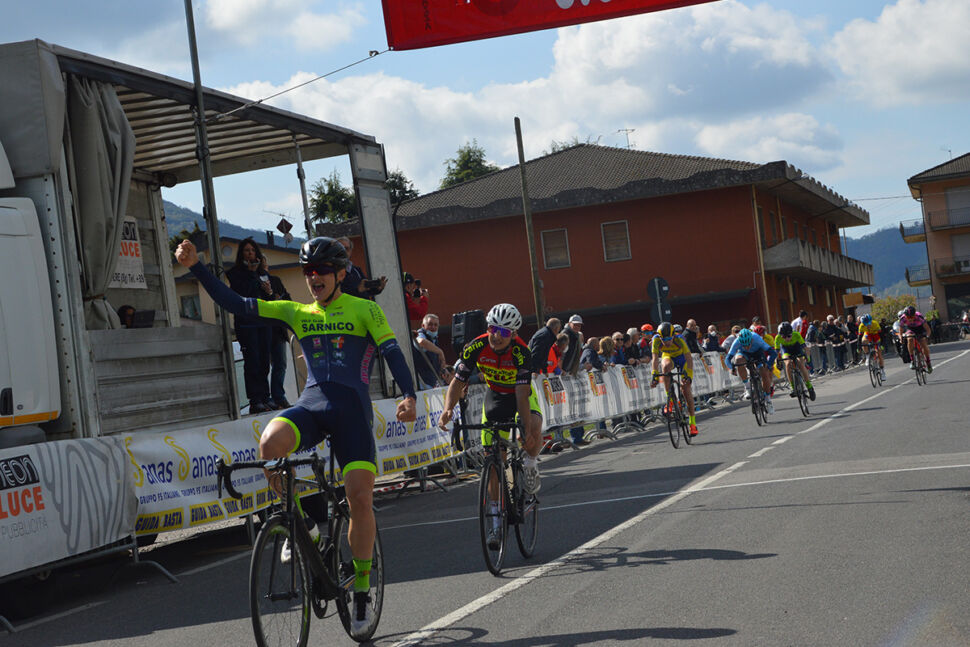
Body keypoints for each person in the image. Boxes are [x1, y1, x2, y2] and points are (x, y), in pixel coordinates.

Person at [176, 236, 416, 633]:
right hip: (312, 407)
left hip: (352, 414)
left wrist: (408, 395)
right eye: (307, 272)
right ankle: (302, 524)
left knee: (359, 499)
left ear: (340, 274)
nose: (313, 277)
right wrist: (196, 267)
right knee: (269, 444)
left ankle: (359, 591)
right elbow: (237, 304)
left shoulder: (365, 310)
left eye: (321, 271)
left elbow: (391, 353)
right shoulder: (296, 311)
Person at [438, 303, 544, 525]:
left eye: (504, 332)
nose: (496, 336)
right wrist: (448, 409)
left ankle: (531, 464)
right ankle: (495, 513)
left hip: (519, 395)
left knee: (532, 424)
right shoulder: (475, 347)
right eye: (492, 328)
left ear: (513, 334)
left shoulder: (521, 352)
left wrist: (525, 427)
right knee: (493, 460)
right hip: (495, 396)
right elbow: (458, 382)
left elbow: (522, 395)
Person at [226, 238, 275, 413]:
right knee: (252, 361)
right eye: (247, 251)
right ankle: (255, 399)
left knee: (264, 361)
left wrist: (269, 292)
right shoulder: (235, 273)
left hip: (263, 321)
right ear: (241, 254)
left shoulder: (263, 273)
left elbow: (269, 299)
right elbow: (242, 294)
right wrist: (252, 273)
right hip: (246, 324)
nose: (250, 254)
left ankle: (265, 396)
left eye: (253, 251)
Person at [650, 322, 698, 436]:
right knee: (665, 368)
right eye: (664, 339)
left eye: (669, 339)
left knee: (686, 389)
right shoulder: (656, 340)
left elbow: (689, 358)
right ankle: (671, 400)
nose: (667, 342)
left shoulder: (680, 339)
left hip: (682, 359)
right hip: (669, 357)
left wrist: (689, 376)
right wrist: (654, 375)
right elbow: (655, 359)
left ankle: (692, 423)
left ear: (673, 335)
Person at [262, 258, 293, 408]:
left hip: (278, 330)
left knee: (280, 364)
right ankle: (266, 399)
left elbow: (288, 300)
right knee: (263, 367)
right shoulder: (253, 282)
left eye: (264, 264)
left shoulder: (276, 280)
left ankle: (278, 397)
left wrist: (278, 299)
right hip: (262, 330)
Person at [725, 328, 778, 414]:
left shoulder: (756, 338)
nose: (746, 347)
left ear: (751, 340)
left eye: (748, 344)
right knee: (738, 361)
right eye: (744, 345)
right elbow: (728, 358)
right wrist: (731, 368)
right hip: (744, 354)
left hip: (758, 353)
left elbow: (773, 353)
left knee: (764, 373)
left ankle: (768, 401)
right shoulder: (737, 341)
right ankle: (747, 387)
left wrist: (769, 365)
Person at [774, 322, 816, 400]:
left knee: (801, 364)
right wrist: (777, 362)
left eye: (789, 336)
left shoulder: (796, 334)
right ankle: (793, 387)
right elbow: (776, 353)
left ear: (792, 333)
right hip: (786, 349)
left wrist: (808, 358)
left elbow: (806, 348)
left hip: (797, 348)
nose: (786, 338)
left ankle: (809, 387)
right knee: (787, 363)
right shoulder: (777, 337)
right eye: (784, 337)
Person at [414, 314, 449, 389]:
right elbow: (420, 342)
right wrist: (440, 352)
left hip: (431, 382)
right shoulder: (420, 334)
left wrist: (443, 369)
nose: (433, 327)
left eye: (436, 325)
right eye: (430, 324)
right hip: (422, 383)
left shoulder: (434, 339)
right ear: (423, 326)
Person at [899, 306, 932, 372]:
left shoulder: (919, 317)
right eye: (908, 317)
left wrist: (927, 336)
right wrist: (901, 338)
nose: (910, 319)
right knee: (910, 339)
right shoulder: (903, 318)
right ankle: (912, 360)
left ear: (914, 315)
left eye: (911, 317)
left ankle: (928, 362)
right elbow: (901, 331)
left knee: (923, 344)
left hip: (920, 329)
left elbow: (928, 329)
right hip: (910, 329)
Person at [858, 314, 887, 381]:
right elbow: (859, 338)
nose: (868, 325)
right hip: (868, 335)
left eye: (869, 323)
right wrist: (858, 347)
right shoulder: (861, 326)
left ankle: (882, 372)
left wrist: (882, 344)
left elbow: (881, 335)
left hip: (876, 335)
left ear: (871, 321)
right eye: (866, 324)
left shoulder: (875, 324)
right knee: (864, 341)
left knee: (878, 352)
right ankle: (867, 355)